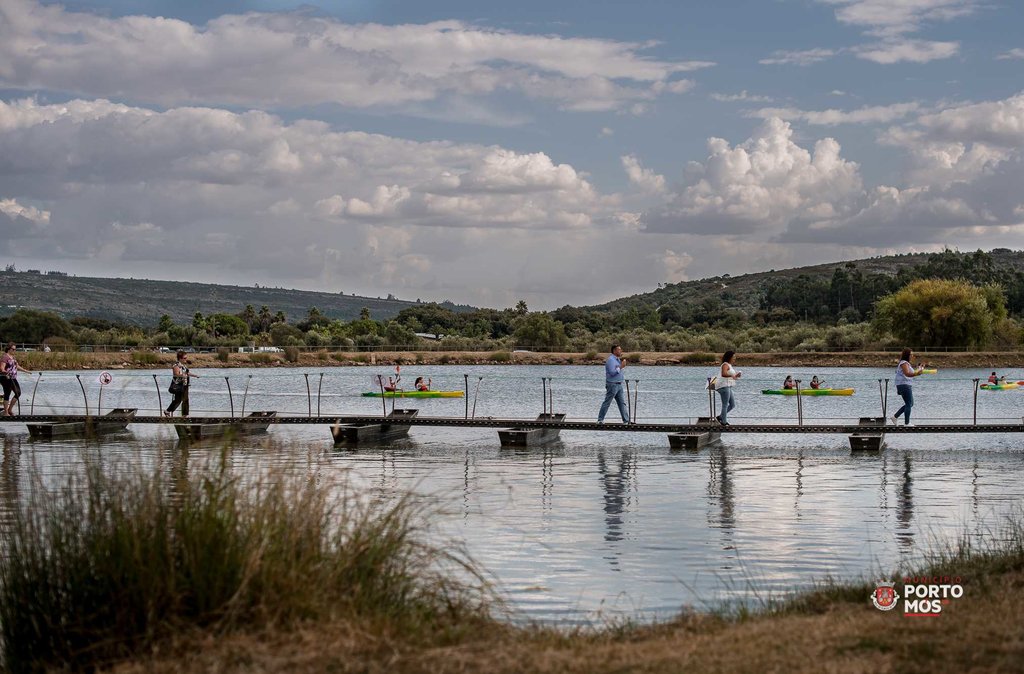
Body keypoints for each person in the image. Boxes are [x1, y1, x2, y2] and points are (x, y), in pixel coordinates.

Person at [892, 348, 925, 426]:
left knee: (910, 404)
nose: (912, 356)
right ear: (907, 355)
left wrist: (920, 368)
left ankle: (895, 417)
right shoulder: (904, 363)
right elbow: (907, 373)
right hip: (904, 385)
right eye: (911, 354)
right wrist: (917, 374)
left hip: (905, 385)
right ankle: (907, 423)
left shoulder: (906, 364)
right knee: (908, 403)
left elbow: (913, 372)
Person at [1, 342, 35, 416]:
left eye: (15, 349)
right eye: (13, 349)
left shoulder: (13, 357)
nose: (14, 351)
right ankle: (6, 412)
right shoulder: (5, 357)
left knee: (18, 393)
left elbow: (17, 366)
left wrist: (26, 371)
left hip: (13, 378)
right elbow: (1, 368)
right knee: (8, 393)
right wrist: (7, 372)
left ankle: (9, 410)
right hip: (5, 378)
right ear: (8, 349)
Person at [598, 344, 630, 424]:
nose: (621, 351)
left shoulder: (617, 360)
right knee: (607, 402)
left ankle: (626, 421)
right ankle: (600, 420)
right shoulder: (611, 360)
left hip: (619, 385)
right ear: (614, 351)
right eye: (619, 350)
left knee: (622, 403)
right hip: (612, 384)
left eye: (620, 349)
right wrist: (621, 367)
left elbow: (618, 370)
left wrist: (621, 366)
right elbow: (612, 373)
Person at [163, 350, 198, 417]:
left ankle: (185, 415)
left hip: (185, 385)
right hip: (178, 385)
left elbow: (187, 373)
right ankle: (167, 411)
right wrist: (183, 375)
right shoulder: (176, 365)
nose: (186, 359)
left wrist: (195, 375)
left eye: (186, 358)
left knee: (186, 400)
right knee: (178, 400)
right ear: (180, 358)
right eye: (184, 358)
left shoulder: (184, 366)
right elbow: (176, 374)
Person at [716, 351, 741, 426]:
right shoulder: (725, 365)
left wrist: (736, 376)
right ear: (729, 357)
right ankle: (724, 422)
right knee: (725, 404)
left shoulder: (729, 365)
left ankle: (720, 417)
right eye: (733, 357)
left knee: (732, 405)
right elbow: (723, 374)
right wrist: (732, 376)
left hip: (728, 386)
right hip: (723, 386)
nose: (734, 358)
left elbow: (730, 376)